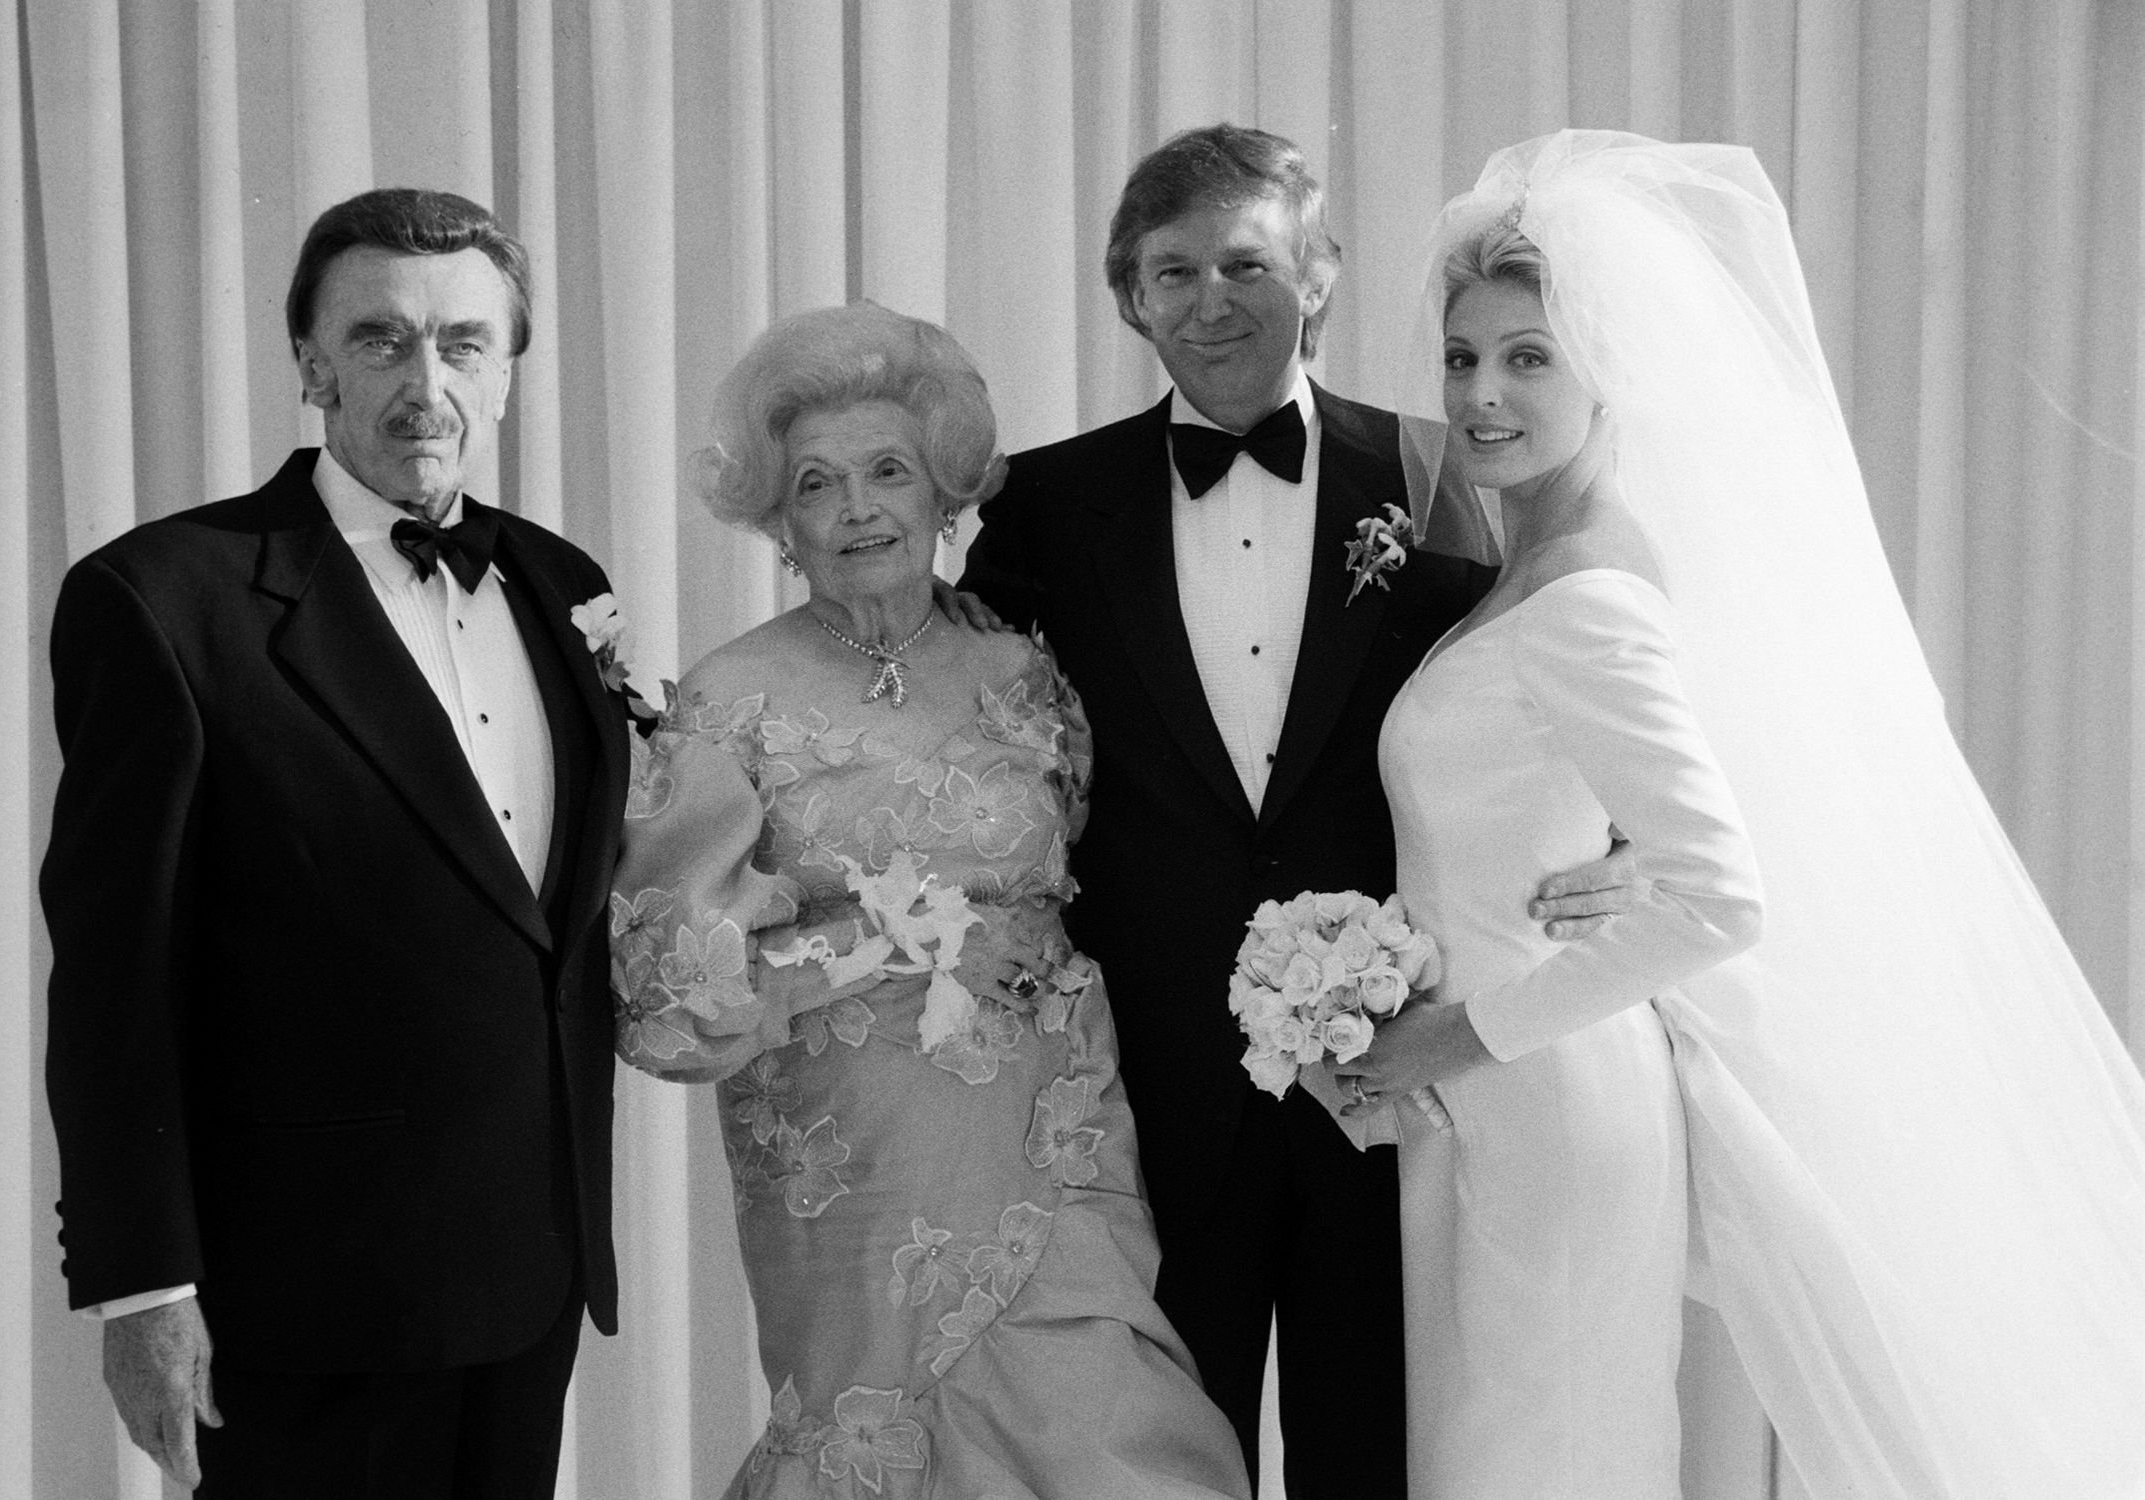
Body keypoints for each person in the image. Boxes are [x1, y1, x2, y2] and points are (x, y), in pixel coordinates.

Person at [1346, 130, 2145, 1497]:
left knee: (1535, 1464)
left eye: (1528, 357)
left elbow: (1720, 896)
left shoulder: (1588, 590)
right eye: (1463, 357)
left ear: (1612, 370)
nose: (1480, 393)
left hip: (1540, 1100)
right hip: (1483, 1097)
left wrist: (1449, 1036)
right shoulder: (1529, 563)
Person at [958, 123, 1633, 1494]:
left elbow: (1585, 665)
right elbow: (978, 758)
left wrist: (1618, 839)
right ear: (1127, 296)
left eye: (1248, 263)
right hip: (1151, 1081)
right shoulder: (1044, 505)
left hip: (1395, 1083)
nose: (1212, 298)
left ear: (1319, 276)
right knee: (1156, 1461)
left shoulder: (1457, 478)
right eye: (1173, 270)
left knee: (1372, 1454)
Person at [40, 188, 633, 1498]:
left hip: (531, 1276)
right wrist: (142, 1281)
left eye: (465, 344)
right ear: (310, 365)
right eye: (380, 340)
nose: (428, 381)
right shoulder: (161, 601)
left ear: (509, 371)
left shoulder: (563, 582)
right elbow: (112, 979)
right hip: (300, 1300)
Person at [609, 300, 1252, 1499]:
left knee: (1117, 1441)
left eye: (888, 472)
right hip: (855, 1161)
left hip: (1049, 1127)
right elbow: (667, 1007)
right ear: (779, 521)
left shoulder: (1022, 670)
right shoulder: (727, 701)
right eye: (817, 483)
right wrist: (894, 943)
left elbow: (1083, 881)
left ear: (946, 497)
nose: (858, 507)